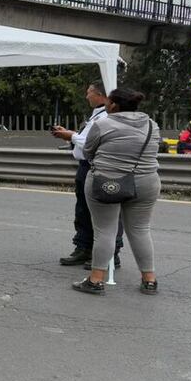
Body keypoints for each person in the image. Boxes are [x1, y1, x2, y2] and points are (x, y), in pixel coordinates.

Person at [71, 88, 162, 296]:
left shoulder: (102, 124)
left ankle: (96, 280)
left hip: (107, 181)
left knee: (105, 230)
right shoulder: (152, 125)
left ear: (113, 105)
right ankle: (149, 280)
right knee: (140, 230)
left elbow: (88, 152)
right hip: (146, 182)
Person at [51, 81, 124, 269]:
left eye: (89, 92)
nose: (86, 96)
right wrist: (71, 135)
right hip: (85, 167)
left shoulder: (108, 117)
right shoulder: (97, 114)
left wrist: (72, 136)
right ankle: (84, 247)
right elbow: (87, 139)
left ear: (100, 94)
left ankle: (111, 254)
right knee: (83, 211)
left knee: (104, 214)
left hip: (100, 167)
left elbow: (94, 142)